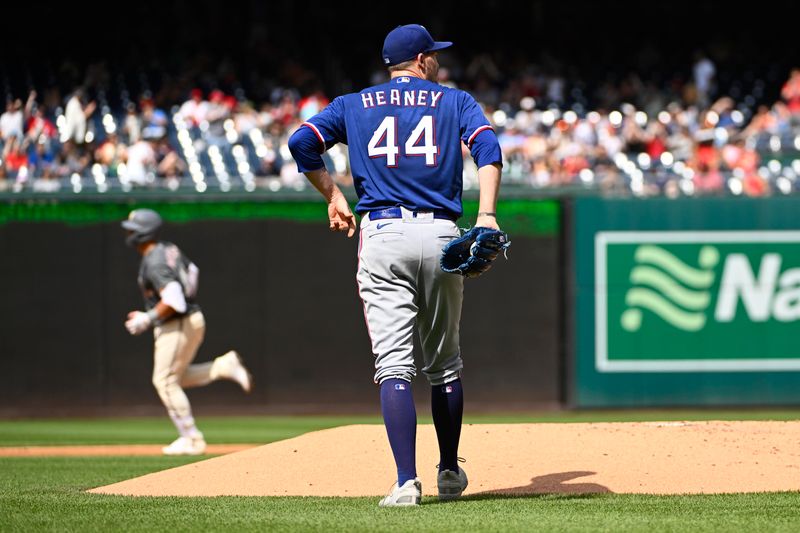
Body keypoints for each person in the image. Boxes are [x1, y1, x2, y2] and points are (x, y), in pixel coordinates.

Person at [288, 23, 503, 506]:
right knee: (445, 364)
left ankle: (406, 483)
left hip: (383, 233)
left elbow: (301, 143)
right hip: (442, 232)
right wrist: (486, 215)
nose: (439, 62)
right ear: (423, 60)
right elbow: (489, 150)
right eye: (435, 55)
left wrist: (333, 194)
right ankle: (449, 472)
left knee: (394, 367)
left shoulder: (352, 104)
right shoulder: (456, 101)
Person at [122, 208, 253, 456]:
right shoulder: (167, 249)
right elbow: (193, 271)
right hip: (190, 319)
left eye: (132, 229)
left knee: (164, 381)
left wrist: (147, 319)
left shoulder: (155, 260)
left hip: (177, 323)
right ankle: (223, 366)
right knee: (176, 378)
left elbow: (174, 300)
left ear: (143, 232)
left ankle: (192, 438)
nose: (128, 233)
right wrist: (187, 298)